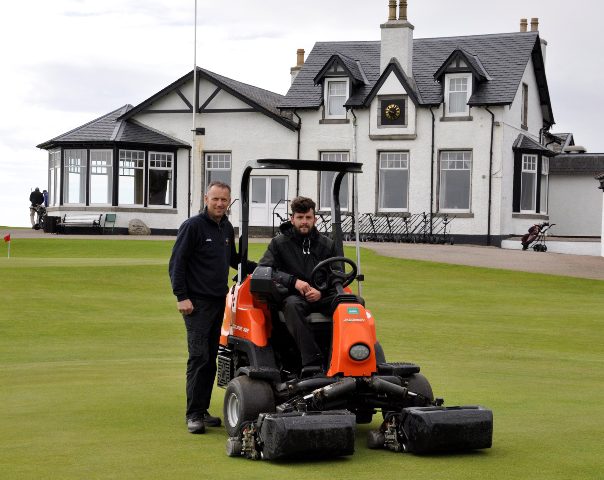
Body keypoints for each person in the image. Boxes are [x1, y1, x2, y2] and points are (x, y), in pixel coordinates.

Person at [168, 181, 239, 434]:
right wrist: (181, 296)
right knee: (199, 358)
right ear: (205, 198)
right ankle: (194, 414)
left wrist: (265, 266)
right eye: (215, 199)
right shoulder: (193, 226)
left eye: (224, 200)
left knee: (211, 360)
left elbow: (234, 261)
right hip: (196, 304)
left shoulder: (227, 228)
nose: (220, 204)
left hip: (220, 303)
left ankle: (203, 409)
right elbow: (177, 263)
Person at [258, 196, 338, 373]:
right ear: (292, 219)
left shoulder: (327, 244)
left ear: (315, 219)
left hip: (320, 296)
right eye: (300, 218)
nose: (304, 222)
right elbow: (265, 269)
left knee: (353, 303)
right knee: (293, 305)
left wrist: (321, 293)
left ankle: (352, 354)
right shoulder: (279, 244)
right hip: (293, 297)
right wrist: (293, 282)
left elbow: (336, 275)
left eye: (308, 218)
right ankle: (313, 363)